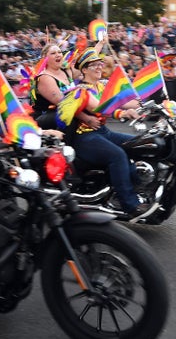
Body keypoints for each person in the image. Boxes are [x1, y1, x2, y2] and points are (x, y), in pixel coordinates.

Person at [58, 49, 147, 219]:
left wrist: (147, 104)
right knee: (118, 155)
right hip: (85, 137)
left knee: (138, 143)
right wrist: (123, 114)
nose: (99, 67)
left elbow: (125, 100)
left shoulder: (103, 85)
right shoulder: (80, 90)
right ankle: (129, 204)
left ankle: (139, 185)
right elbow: (100, 107)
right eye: (94, 65)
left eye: (100, 63)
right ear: (84, 70)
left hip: (102, 131)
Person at [31, 43, 75, 129]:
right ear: (45, 58)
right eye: (53, 53)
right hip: (45, 120)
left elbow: (87, 66)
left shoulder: (66, 71)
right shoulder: (44, 77)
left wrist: (100, 43)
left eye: (59, 52)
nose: (58, 55)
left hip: (65, 114)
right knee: (69, 117)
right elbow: (63, 103)